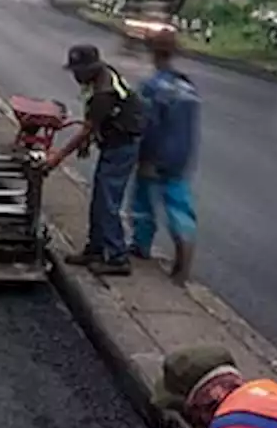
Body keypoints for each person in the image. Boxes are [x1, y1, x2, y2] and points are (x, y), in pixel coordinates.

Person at [44, 44, 143, 275]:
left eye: (80, 70)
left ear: (91, 68)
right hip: (113, 140)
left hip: (122, 145)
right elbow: (93, 122)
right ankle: (95, 249)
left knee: (107, 201)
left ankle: (117, 258)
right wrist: (88, 142)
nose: (76, 76)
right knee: (99, 197)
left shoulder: (103, 92)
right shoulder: (99, 78)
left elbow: (87, 128)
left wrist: (56, 159)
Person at [131, 29, 200, 284]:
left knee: (143, 203)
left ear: (152, 53)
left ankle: (141, 247)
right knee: (179, 208)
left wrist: (145, 159)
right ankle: (183, 268)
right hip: (181, 157)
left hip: (156, 155)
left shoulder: (152, 87)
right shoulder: (187, 87)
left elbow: (149, 126)